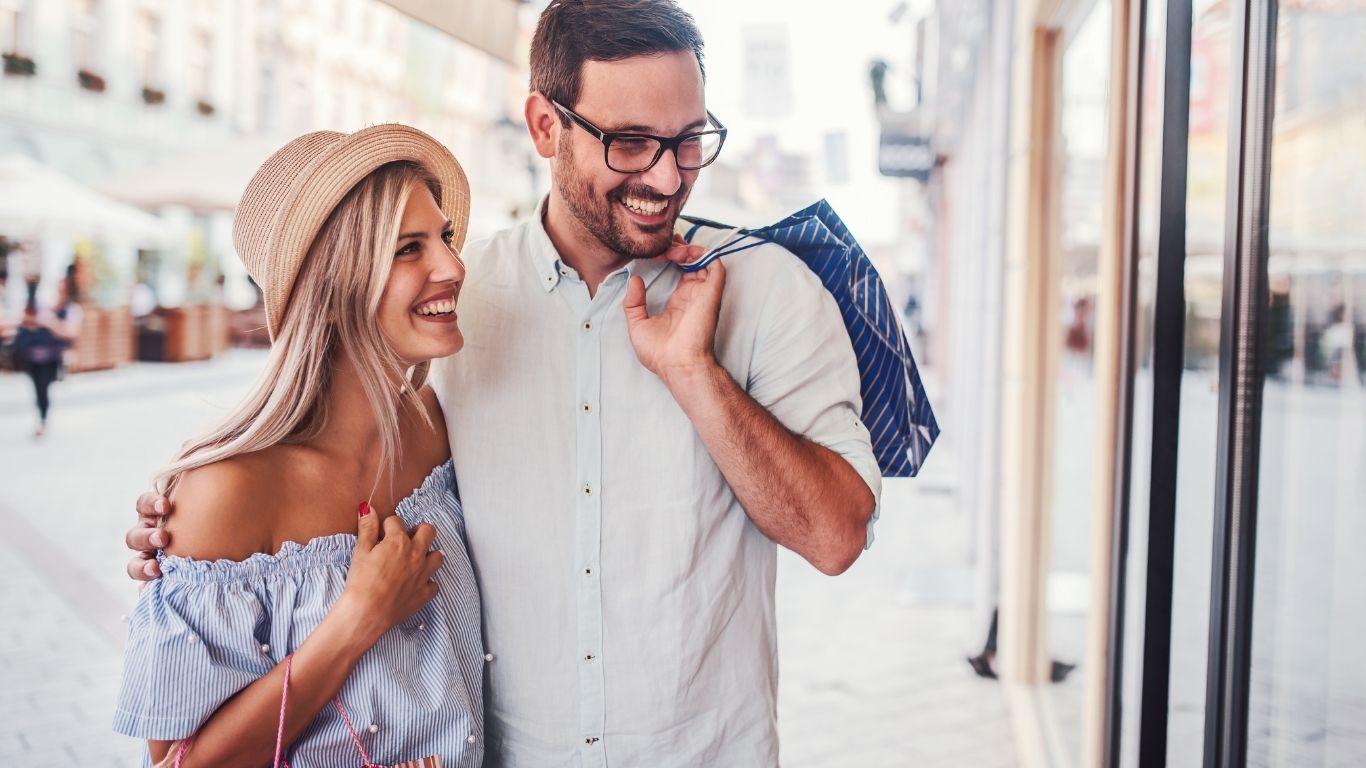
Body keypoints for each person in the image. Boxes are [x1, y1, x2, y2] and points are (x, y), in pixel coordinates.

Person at [128, 2, 882, 764]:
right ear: (545, 126)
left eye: (688, 141)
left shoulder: (768, 289)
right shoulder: (461, 310)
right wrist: (188, 537)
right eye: (629, 143)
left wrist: (695, 374)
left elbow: (836, 538)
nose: (666, 173)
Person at [113, 126, 487, 767]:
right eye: (408, 249)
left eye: (445, 238)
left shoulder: (435, 429)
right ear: (336, 284)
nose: (453, 267)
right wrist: (357, 619)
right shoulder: (227, 490)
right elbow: (177, 762)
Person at [12, 298, 76, 436]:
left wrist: (49, 323)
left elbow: (68, 333)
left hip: (49, 359)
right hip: (32, 360)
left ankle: (43, 419)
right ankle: (43, 419)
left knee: (43, 388)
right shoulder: (29, 312)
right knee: (40, 390)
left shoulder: (60, 313)